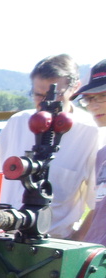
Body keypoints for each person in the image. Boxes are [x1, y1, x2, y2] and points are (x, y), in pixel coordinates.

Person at [0, 54, 101, 239]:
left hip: (52, 245)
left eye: (54, 95)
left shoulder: (91, 133)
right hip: (1, 237)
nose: (44, 103)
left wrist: (75, 242)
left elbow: (99, 204)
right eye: (38, 95)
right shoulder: (17, 123)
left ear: (75, 88)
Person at [68, 60, 106, 244]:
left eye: (103, 95)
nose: (93, 106)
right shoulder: (102, 154)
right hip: (98, 261)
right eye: (89, 98)